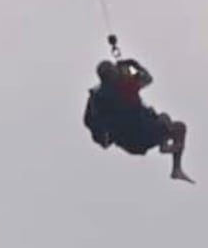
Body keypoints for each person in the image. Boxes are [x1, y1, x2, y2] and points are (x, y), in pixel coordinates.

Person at [83, 45, 193, 183]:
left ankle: (173, 164)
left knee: (168, 122)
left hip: (128, 142)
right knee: (176, 126)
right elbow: (148, 79)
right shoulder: (122, 87)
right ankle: (171, 159)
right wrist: (134, 65)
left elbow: (89, 121)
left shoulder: (98, 96)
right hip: (142, 134)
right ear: (111, 75)